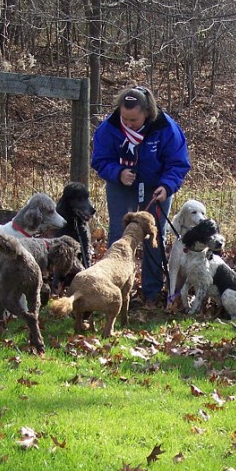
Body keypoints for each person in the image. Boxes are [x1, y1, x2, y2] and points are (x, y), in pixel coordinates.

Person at [92, 86, 190, 307]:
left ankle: (152, 292)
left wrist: (167, 186)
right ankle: (111, 290)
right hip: (121, 184)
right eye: (124, 118)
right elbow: (99, 159)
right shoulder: (109, 127)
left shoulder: (166, 128)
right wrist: (117, 172)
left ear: (147, 112)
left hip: (157, 186)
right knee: (119, 234)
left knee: (154, 236)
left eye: (133, 120)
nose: (127, 123)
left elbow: (178, 163)